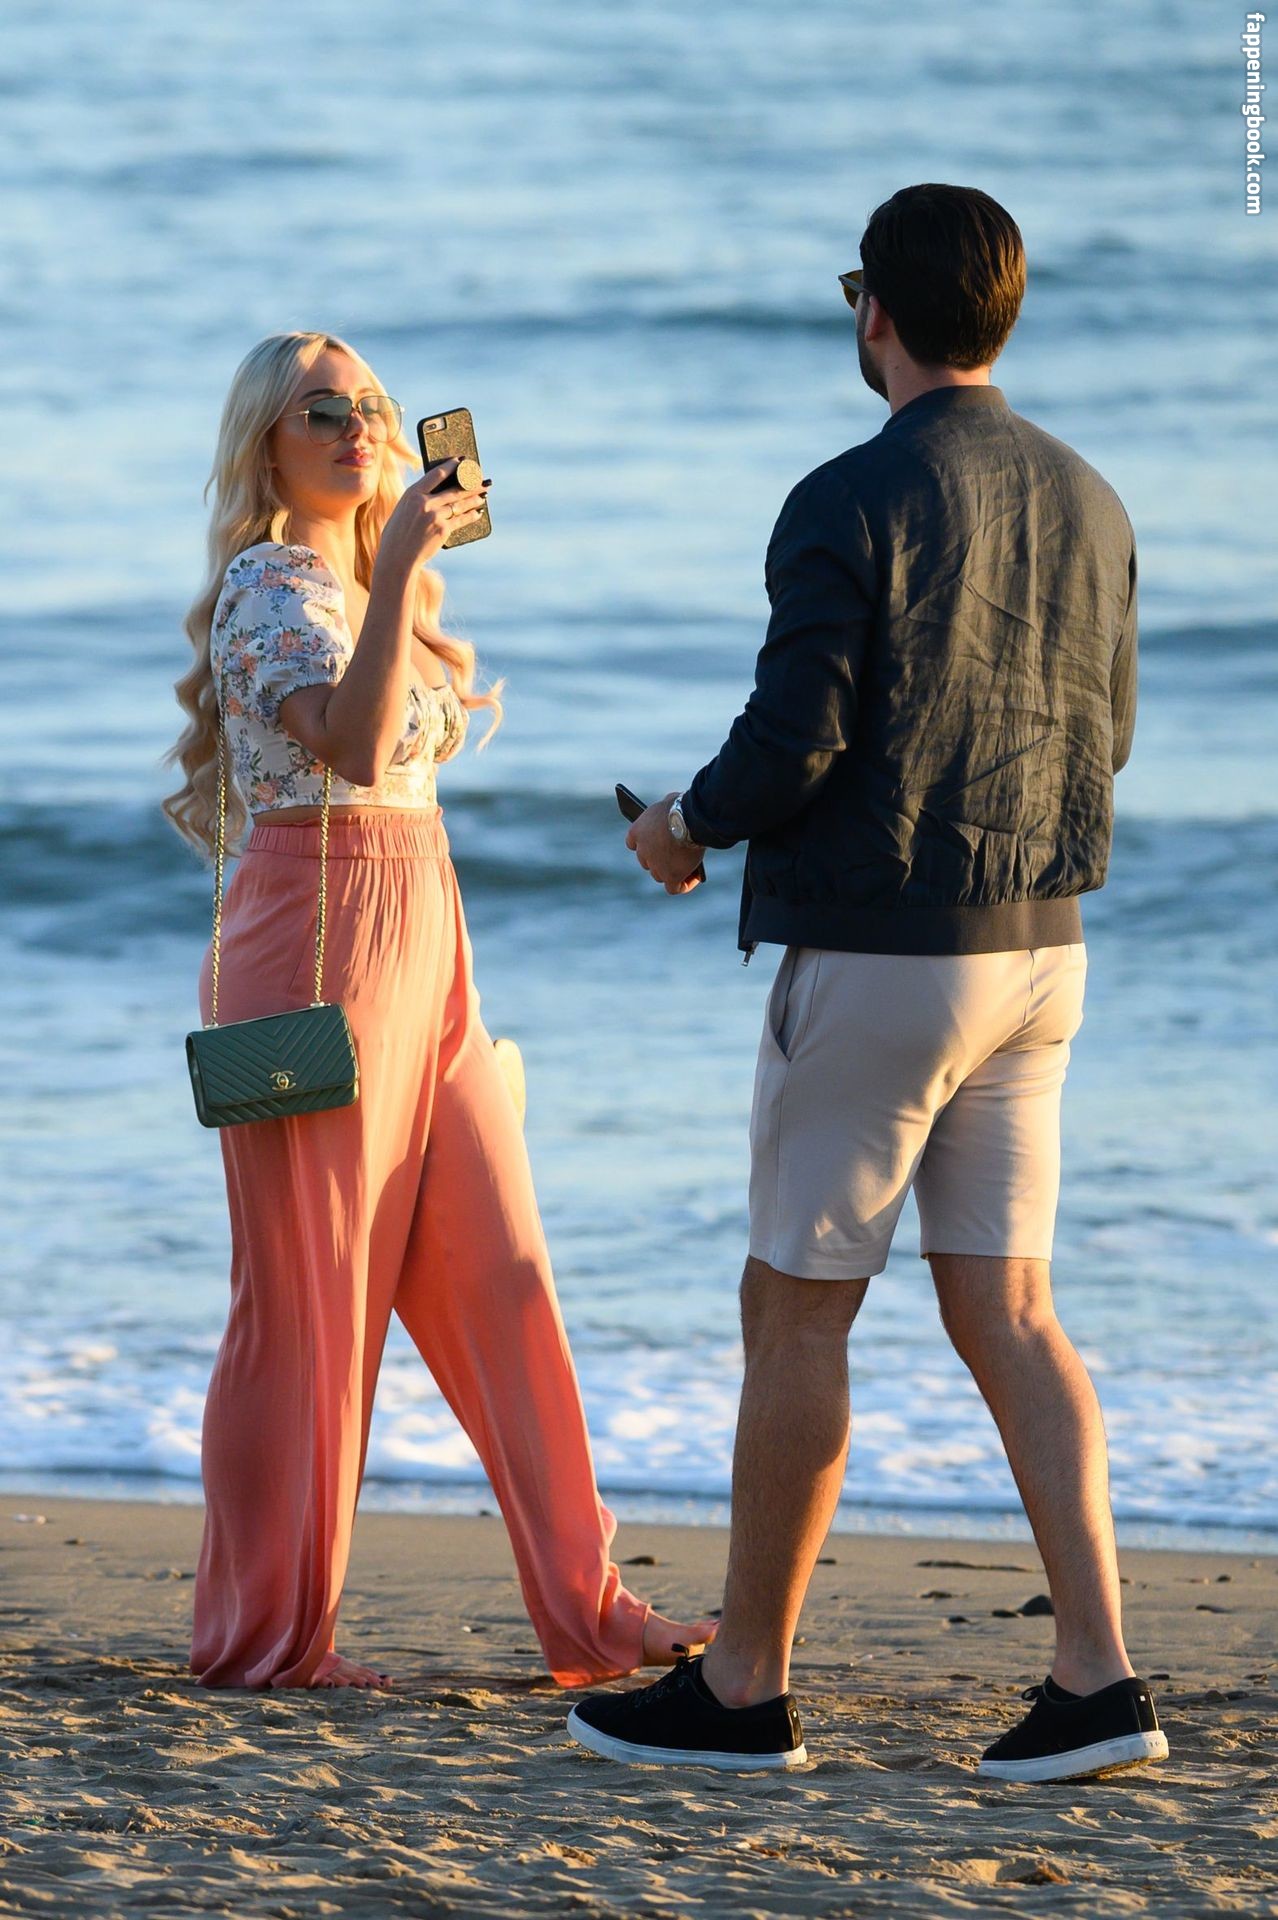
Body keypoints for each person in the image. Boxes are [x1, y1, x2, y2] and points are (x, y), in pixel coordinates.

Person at [566, 184, 1169, 1782]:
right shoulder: (1092, 495)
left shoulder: (848, 492)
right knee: (1013, 1312)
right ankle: (1098, 1680)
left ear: (874, 314)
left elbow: (796, 742)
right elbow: (1106, 733)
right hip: (1040, 950)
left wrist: (680, 826)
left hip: (884, 956)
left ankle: (743, 1689)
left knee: (794, 1311)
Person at [162, 329, 716, 1690]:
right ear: (266, 444)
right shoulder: (267, 586)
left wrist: (399, 572)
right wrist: (404, 557)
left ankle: (591, 1609)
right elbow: (351, 748)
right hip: (310, 941)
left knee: (503, 1268)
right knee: (308, 1302)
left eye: (370, 406)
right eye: (320, 411)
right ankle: (270, 1636)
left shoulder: (364, 586)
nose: (356, 428)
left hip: (426, 933)